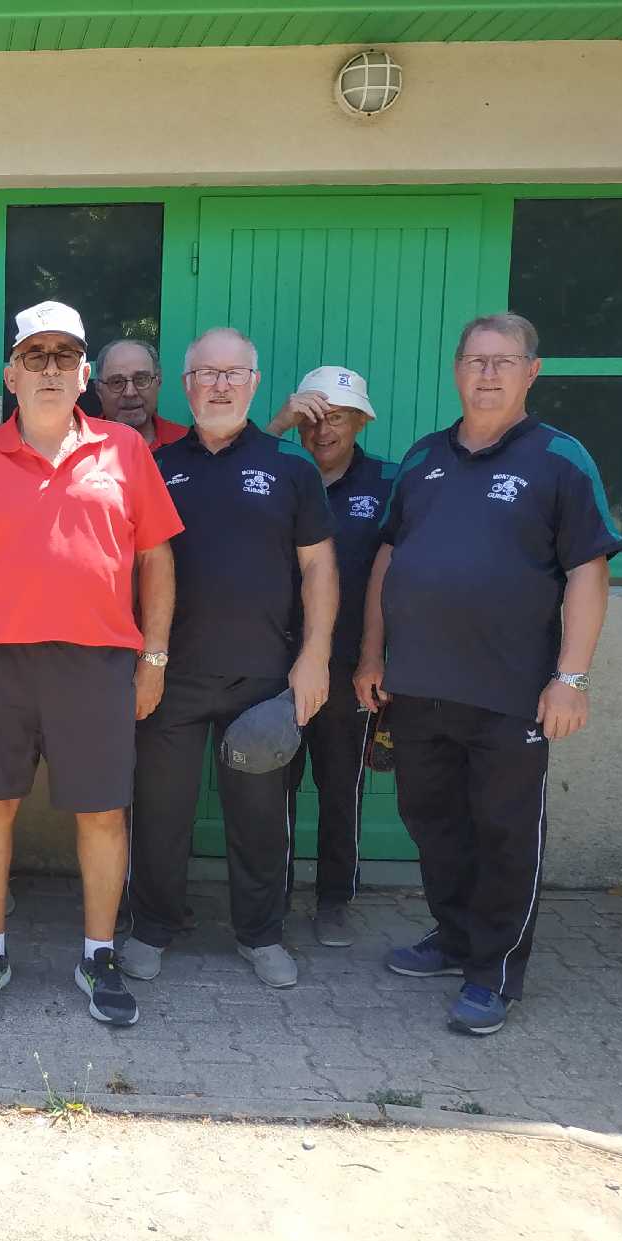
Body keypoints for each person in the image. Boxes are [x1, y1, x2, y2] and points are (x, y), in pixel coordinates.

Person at [356, 313, 622, 1036]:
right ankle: (454, 937)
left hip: (512, 693)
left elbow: (587, 570)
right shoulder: (422, 459)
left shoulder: (561, 458)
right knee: (432, 821)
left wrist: (572, 678)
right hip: (417, 686)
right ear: (456, 370)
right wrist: (373, 657)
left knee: (505, 834)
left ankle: (495, 970)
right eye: (475, 360)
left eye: (504, 361)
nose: (488, 374)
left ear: (532, 372)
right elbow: (387, 559)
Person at [0, 301, 182, 1027]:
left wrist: (154, 656)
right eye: (34, 356)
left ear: (83, 374)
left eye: (64, 356)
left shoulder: (124, 450)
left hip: (98, 662)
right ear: (11, 374)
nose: (49, 368)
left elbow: (156, 558)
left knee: (102, 813)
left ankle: (98, 954)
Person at [124, 328, 338, 990]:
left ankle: (260, 933)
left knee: (260, 819)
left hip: (262, 677)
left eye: (233, 373)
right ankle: (151, 926)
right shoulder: (154, 465)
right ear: (186, 386)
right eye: (206, 374)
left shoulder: (291, 468)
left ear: (253, 382)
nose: (219, 385)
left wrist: (315, 658)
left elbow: (319, 568)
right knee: (159, 812)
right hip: (170, 674)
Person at [265, 367, 397, 948]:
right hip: (275, 662)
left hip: (348, 668)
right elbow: (239, 471)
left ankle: (335, 900)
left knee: (342, 788)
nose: (323, 432)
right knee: (272, 788)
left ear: (361, 421)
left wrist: (377, 659)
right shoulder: (278, 472)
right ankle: (272, 900)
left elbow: (396, 578)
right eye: (312, 420)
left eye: (337, 418)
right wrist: (278, 424)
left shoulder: (388, 483)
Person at [92, 339, 188, 452]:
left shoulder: (186, 442)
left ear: (158, 383)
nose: (130, 393)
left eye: (141, 379)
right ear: (99, 390)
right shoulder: (80, 446)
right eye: (117, 382)